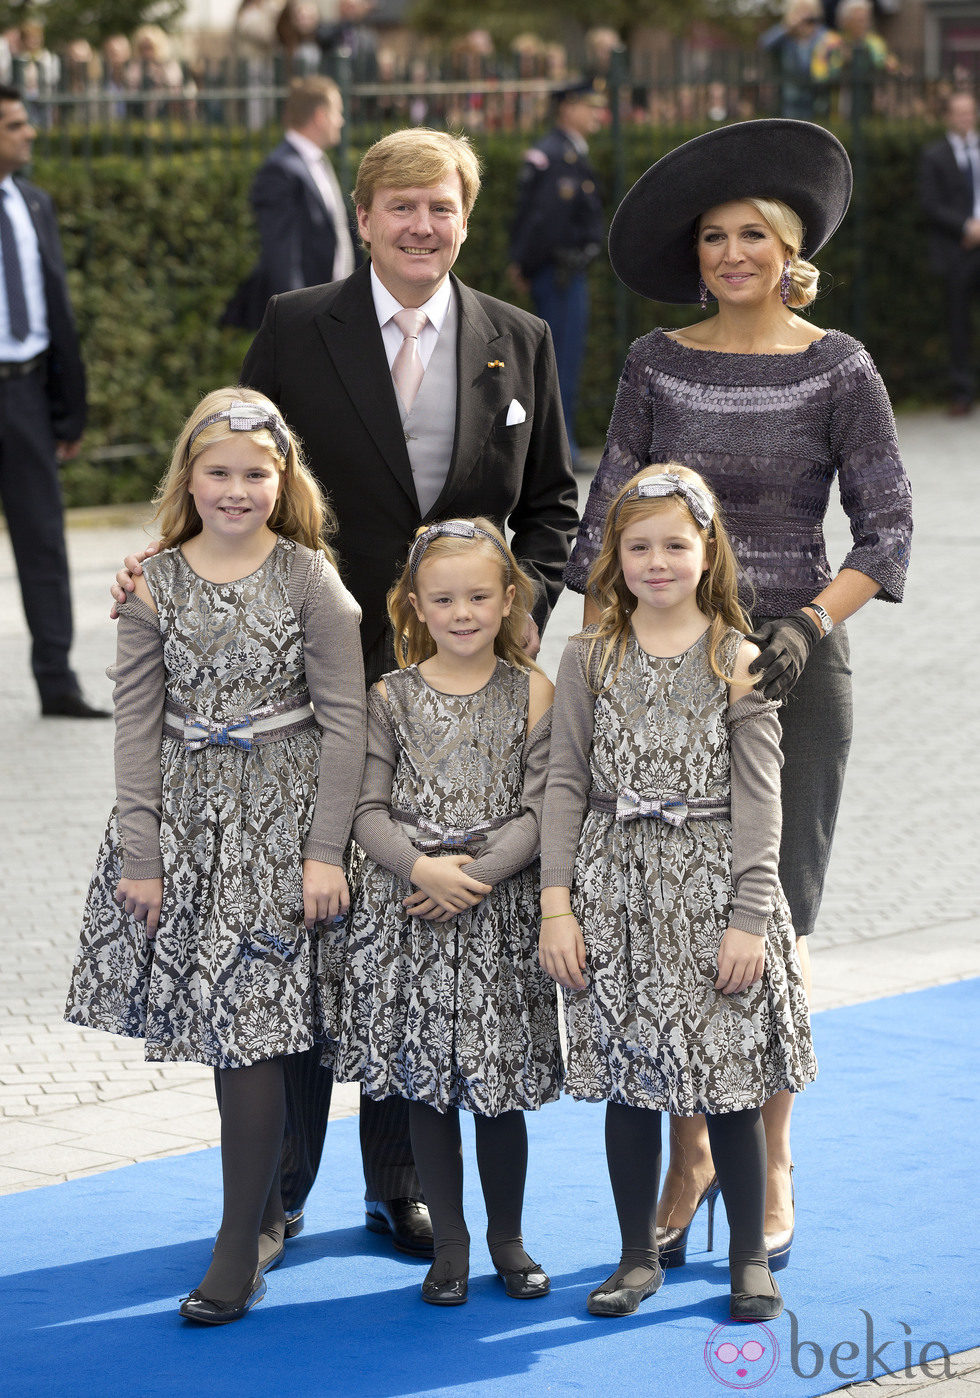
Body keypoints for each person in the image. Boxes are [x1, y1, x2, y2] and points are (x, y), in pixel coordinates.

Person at [113, 126, 578, 1261]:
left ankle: (399, 1182)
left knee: (404, 939)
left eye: (443, 208)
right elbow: (237, 472)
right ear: (363, 218)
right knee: (311, 936)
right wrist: (155, 560)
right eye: (402, 208)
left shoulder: (518, 339)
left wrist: (521, 613)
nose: (423, 227)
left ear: (465, 219)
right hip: (311, 689)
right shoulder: (295, 326)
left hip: (450, 697)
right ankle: (275, 1194)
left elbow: (555, 503)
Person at [565, 119, 912, 1278]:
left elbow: (887, 528)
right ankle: (688, 1155)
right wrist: (590, 661)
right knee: (670, 924)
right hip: (658, 675)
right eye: (712, 236)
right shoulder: (656, 361)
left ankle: (766, 1154)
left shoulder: (836, 365)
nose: (729, 252)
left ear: (790, 246)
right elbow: (604, 514)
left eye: (750, 234)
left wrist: (807, 627)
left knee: (769, 924)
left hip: (792, 676)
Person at [66, 386, 367, 1325]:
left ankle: (241, 1243)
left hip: (283, 824)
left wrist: (325, 851)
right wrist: (142, 852)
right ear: (188, 478)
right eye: (218, 472)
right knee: (231, 1027)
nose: (236, 490)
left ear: (284, 481)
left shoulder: (310, 579)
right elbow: (135, 722)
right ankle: (266, 1208)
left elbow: (349, 720)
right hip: (190, 828)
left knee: (254, 1026)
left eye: (255, 474)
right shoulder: (154, 582)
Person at [540, 464, 816, 1320]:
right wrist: (557, 905)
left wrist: (749, 919)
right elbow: (563, 785)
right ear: (614, 556)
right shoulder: (589, 658)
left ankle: (745, 1261)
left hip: (712, 896)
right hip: (615, 893)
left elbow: (762, 799)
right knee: (632, 1084)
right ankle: (633, 1258)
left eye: (674, 545)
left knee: (728, 1081)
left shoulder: (739, 659)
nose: (656, 561)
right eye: (637, 546)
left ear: (708, 553)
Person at [327, 517, 559, 1307]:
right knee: (428, 1090)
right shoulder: (389, 697)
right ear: (415, 607)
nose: (463, 612)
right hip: (413, 916)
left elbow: (541, 808)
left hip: (496, 917)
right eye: (444, 599)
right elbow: (365, 809)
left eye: (479, 597)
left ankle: (509, 1240)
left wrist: (478, 874)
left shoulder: (533, 689)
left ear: (507, 602)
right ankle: (450, 1248)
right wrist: (424, 866)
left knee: (498, 1094)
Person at [0, 84, 105, 719]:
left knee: (42, 537)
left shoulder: (32, 203)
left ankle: (57, 681)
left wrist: (70, 407)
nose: (29, 134)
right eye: (14, 125)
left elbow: (56, 311)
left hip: (26, 395)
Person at [508, 78, 606, 465]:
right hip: (558, 273)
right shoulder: (557, 154)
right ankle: (559, 449)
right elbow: (542, 221)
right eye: (589, 106)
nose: (597, 113)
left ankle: (559, 446)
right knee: (559, 360)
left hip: (562, 272)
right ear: (567, 108)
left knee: (562, 358)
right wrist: (527, 265)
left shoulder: (566, 152)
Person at [221, 75, 356, 332]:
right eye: (338, 112)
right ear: (320, 116)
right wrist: (297, 319)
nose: (341, 120)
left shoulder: (318, 162)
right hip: (310, 314)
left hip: (335, 305)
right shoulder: (280, 169)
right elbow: (282, 253)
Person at [919, 90, 980, 416]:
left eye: (969, 113)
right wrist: (966, 228)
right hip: (957, 251)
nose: (964, 119)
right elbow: (929, 204)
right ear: (948, 117)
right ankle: (962, 392)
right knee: (958, 325)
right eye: (959, 113)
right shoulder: (934, 155)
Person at [759, 0, 827, 119]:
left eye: (808, 11)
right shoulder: (785, 36)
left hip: (816, 99)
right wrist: (787, 28)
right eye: (800, 11)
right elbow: (764, 43)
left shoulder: (821, 35)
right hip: (788, 101)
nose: (804, 17)